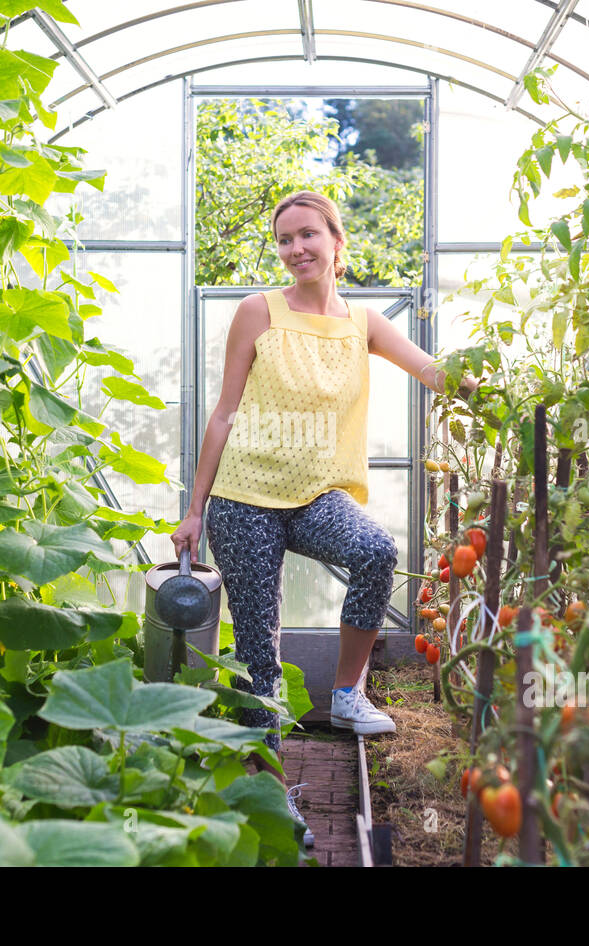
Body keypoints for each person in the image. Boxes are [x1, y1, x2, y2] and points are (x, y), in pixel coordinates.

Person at [169, 190, 478, 848]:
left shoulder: (362, 322)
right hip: (244, 499)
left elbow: (430, 369)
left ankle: (346, 696)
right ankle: (276, 802)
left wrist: (491, 392)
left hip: (316, 493)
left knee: (373, 552)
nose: (296, 249)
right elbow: (223, 413)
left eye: (308, 235)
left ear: (338, 243)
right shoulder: (259, 312)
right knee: (261, 656)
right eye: (284, 239)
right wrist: (194, 510)